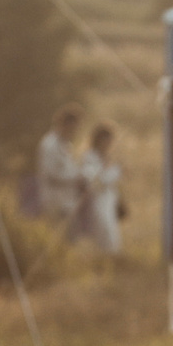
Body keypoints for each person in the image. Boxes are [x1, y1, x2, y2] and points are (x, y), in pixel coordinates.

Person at [74, 122, 124, 252]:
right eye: (105, 140)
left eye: (109, 140)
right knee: (103, 229)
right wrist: (116, 171)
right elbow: (97, 180)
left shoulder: (106, 157)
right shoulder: (89, 156)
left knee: (111, 231)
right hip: (97, 199)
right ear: (98, 140)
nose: (107, 143)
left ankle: (111, 259)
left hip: (109, 198)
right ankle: (101, 259)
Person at [36, 103, 87, 228]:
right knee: (54, 234)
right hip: (54, 200)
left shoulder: (65, 144)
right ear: (65, 124)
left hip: (68, 200)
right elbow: (50, 174)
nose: (76, 130)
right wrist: (75, 178)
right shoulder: (50, 144)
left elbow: (68, 168)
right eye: (74, 126)